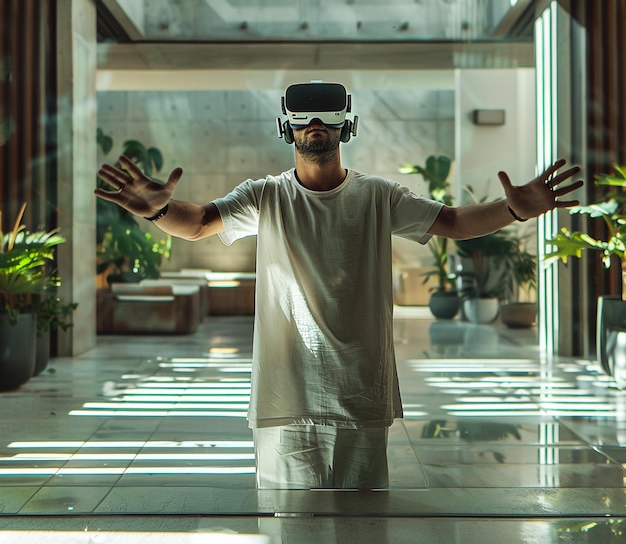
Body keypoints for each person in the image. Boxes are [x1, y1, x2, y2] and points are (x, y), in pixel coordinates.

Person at [95, 82, 583, 490]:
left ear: (346, 125)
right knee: (287, 521)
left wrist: (515, 209)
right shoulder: (265, 195)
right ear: (287, 125)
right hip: (286, 395)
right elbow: (199, 222)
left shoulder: (377, 195)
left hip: (361, 390)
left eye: (327, 116)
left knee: (364, 521)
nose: (315, 124)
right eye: (304, 115)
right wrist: (158, 211)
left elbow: (452, 221)